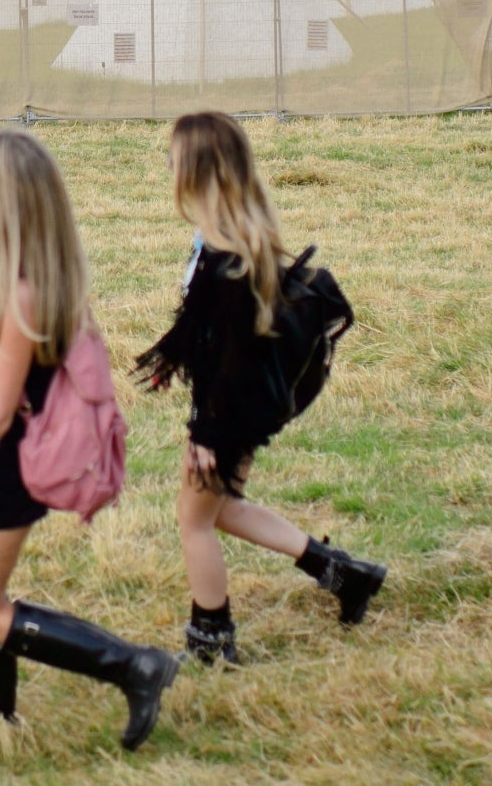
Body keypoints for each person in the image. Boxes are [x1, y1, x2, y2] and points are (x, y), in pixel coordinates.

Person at [0, 129, 180, 750]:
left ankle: (135, 666)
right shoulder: (20, 277)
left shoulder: (21, 295)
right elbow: (4, 362)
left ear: (2, 202)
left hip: (10, 466)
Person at [138, 112, 387, 666]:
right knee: (222, 510)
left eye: (175, 157)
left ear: (199, 171)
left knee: (195, 521)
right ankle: (345, 574)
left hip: (229, 413)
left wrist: (204, 434)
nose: (168, 165)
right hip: (239, 409)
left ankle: (212, 642)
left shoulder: (228, 259)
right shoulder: (225, 240)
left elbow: (227, 360)